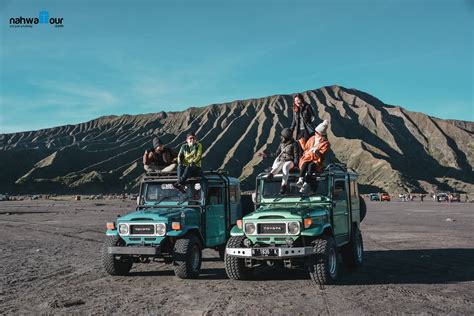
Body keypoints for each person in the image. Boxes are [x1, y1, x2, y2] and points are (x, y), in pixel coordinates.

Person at [259, 128, 300, 194]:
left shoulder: (294, 144)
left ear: (286, 137)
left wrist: (296, 165)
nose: (281, 137)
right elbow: (277, 154)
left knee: (285, 167)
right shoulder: (281, 144)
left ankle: (283, 186)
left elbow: (296, 156)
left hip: (290, 162)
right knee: (278, 165)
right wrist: (266, 155)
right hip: (282, 160)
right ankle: (271, 175)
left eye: (283, 136)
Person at [296, 120, 330, 193]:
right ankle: (300, 179)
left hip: (317, 160)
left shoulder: (325, 143)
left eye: (317, 132)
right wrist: (301, 141)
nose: (315, 133)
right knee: (305, 163)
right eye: (315, 131)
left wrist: (316, 152)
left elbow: (322, 154)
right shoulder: (312, 139)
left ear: (321, 134)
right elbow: (306, 148)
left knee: (310, 166)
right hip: (308, 157)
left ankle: (306, 184)